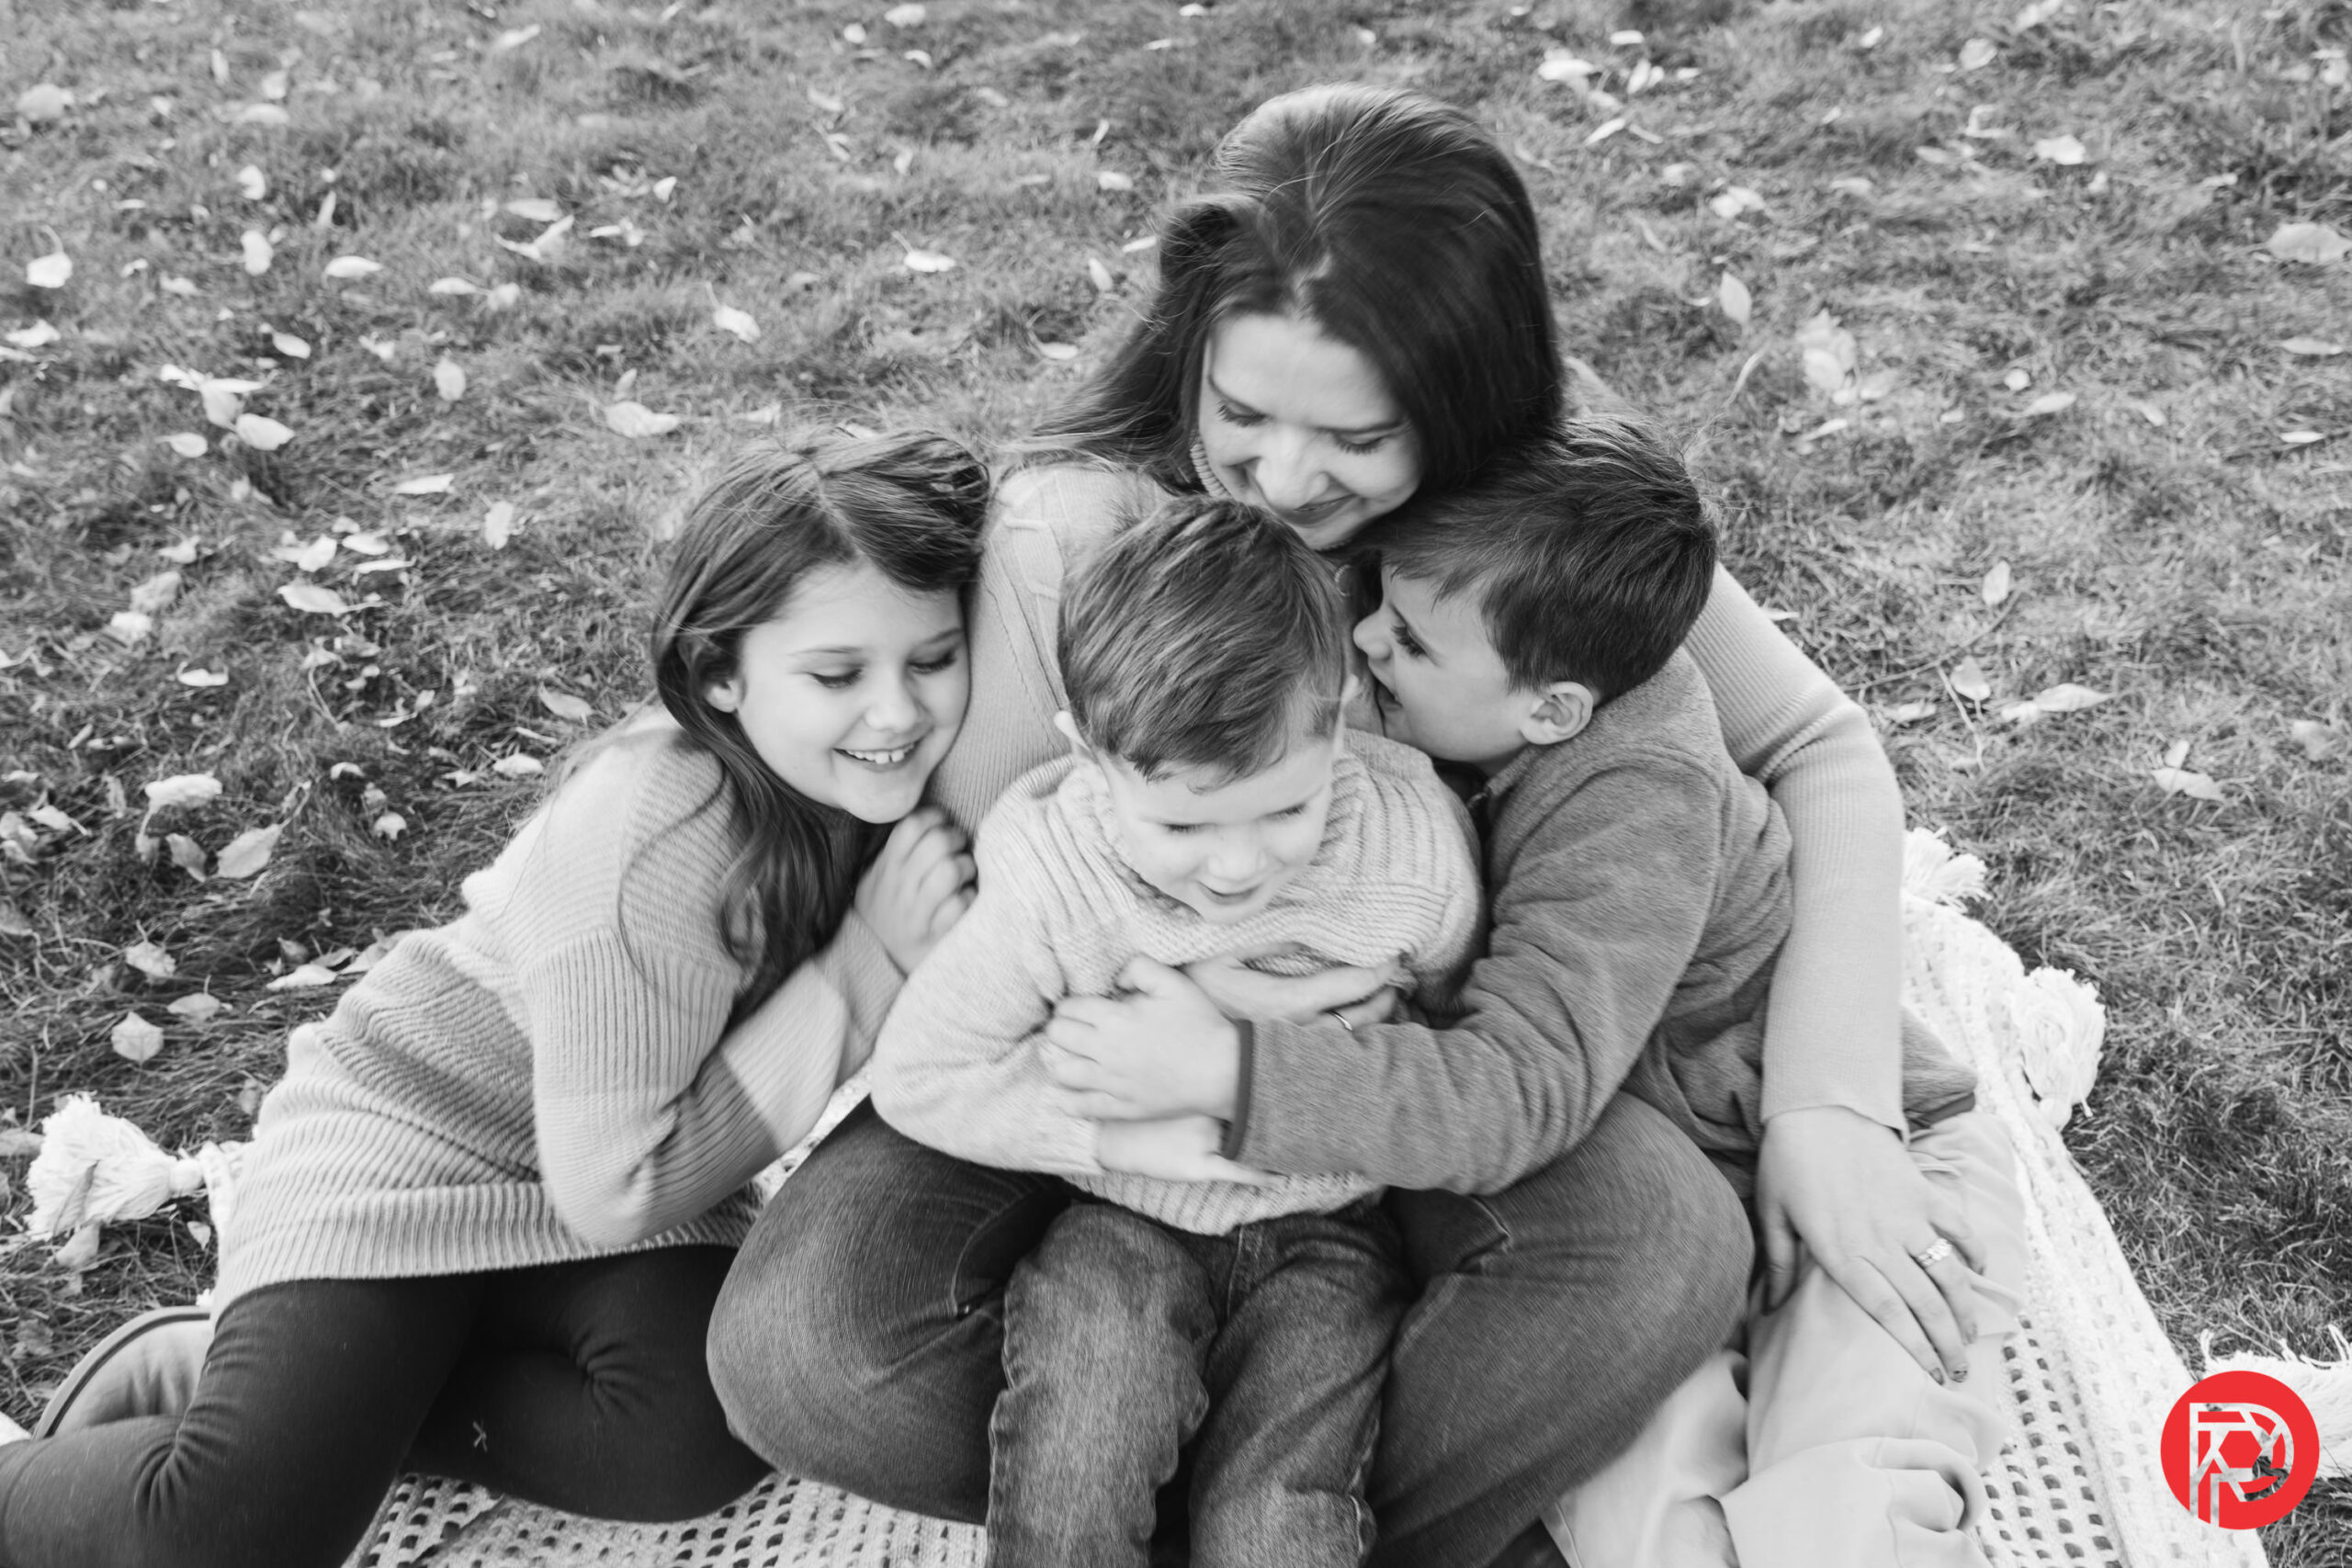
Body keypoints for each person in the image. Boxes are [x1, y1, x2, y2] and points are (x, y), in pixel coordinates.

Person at [709, 85, 2007, 1568]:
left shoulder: (1529, 531)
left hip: (1435, 1071)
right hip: (1122, 1088)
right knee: (809, 1351)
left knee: (1657, 1249)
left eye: (1357, 434)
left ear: (1461, 405)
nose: (1279, 478)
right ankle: (1240, 1477)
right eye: (1240, 412)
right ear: (1188, 352)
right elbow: (1009, 909)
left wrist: (1829, 1105)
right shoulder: (1080, 536)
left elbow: (1819, 749)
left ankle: (1299, 1498)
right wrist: (1171, 1087)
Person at [0, 428, 987, 1568]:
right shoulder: (652, 846)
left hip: (574, 1192)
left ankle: (339, 1403)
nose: (896, 712)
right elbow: (619, 1187)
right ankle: (224, 1406)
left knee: (703, 1429)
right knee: (226, 1537)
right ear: (721, 673)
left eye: (932, 658)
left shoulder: (850, 785)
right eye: (838, 675)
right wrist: (861, 971)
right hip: (402, 1156)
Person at [1340, 418, 2025, 1568]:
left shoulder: (1637, 789)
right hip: (1690, 1181)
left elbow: (1526, 1070)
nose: (1366, 638)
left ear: (1554, 707)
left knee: (1856, 1493)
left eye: (1405, 639)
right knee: (1633, 1526)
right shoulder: (1494, 694)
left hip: (1869, 1172)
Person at [867, 496, 1480, 1566]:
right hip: (1121, 1223)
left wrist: (1309, 1050)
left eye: (1284, 810)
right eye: (1182, 824)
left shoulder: (1412, 856)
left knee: (1277, 1512)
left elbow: (1462, 1037)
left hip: (1330, 1235)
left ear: (1340, 719)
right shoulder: (1056, 878)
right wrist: (1117, 1138)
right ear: (1089, 755)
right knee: (1077, 1454)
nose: (1237, 868)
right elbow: (922, 1075)